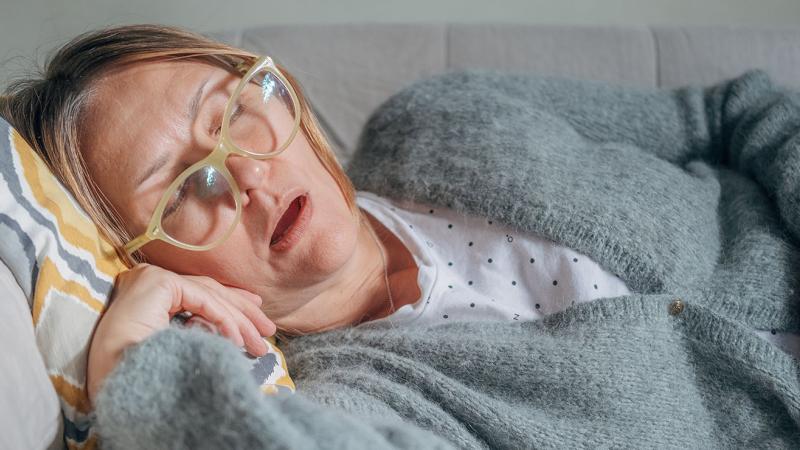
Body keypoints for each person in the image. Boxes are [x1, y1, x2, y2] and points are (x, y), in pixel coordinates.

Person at [3, 24, 800, 448]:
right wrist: (138, 364)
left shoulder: (443, 112)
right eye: (183, 190)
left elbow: (731, 114)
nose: (245, 175)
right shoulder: (352, 400)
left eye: (232, 114)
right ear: (146, 261)